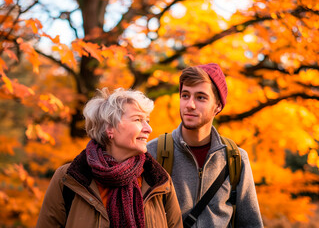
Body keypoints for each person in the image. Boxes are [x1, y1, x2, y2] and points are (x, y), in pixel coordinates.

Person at [36, 88, 183, 228]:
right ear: (109, 128)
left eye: (148, 121)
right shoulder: (68, 179)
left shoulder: (159, 181)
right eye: (138, 119)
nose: (148, 129)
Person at [147, 63, 263, 227]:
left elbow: (250, 224)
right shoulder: (153, 153)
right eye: (185, 95)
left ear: (218, 106)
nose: (190, 105)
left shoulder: (235, 158)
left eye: (201, 97)